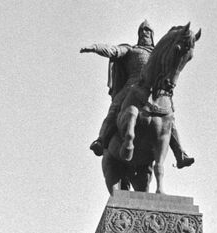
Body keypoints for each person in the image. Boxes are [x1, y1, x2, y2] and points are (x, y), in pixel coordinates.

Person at [81, 20, 194, 168]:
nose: (144, 33)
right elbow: (113, 50)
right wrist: (95, 47)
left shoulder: (158, 52)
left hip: (154, 90)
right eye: (142, 31)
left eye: (148, 31)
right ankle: (101, 140)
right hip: (130, 87)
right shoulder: (131, 50)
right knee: (114, 109)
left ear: (152, 35)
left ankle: (180, 154)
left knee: (169, 119)